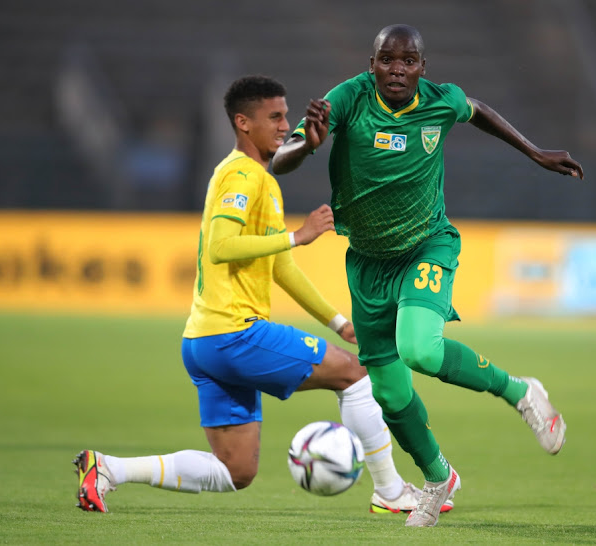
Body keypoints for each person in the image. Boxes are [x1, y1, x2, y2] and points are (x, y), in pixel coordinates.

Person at [73, 75, 457, 516]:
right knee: (354, 375)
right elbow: (221, 246)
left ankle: (108, 470)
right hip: (234, 334)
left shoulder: (259, 179)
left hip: (203, 343)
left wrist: (338, 322)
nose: (284, 125)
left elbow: (280, 268)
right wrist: (297, 235)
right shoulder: (241, 175)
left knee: (235, 471)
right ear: (243, 123)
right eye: (274, 117)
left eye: (286, 115)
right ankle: (390, 491)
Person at [272, 24, 584, 528]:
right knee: (390, 394)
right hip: (368, 264)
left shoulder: (441, 102)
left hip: (426, 245)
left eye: (408, 60)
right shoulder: (347, 99)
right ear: (370, 64)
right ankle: (438, 480)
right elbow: (279, 161)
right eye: (387, 60)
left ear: (423, 67)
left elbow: (477, 109)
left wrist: (533, 151)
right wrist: (307, 145)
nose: (397, 69)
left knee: (420, 349)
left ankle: (520, 392)